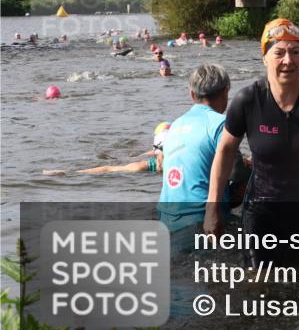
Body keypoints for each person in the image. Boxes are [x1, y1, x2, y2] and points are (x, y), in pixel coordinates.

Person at [203, 19, 299, 267]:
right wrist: (212, 208)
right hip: (261, 213)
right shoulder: (248, 99)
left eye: (295, 52)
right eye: (279, 53)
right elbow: (224, 151)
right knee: (260, 287)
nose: (288, 60)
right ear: (264, 57)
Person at [158, 65, 239, 232]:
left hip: (166, 216)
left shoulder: (174, 126)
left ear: (192, 94)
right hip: (200, 216)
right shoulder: (221, 124)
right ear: (225, 92)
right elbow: (237, 172)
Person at [43, 122, 171, 176]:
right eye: (166, 151)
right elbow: (108, 168)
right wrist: (70, 173)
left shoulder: (184, 161)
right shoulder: (144, 166)